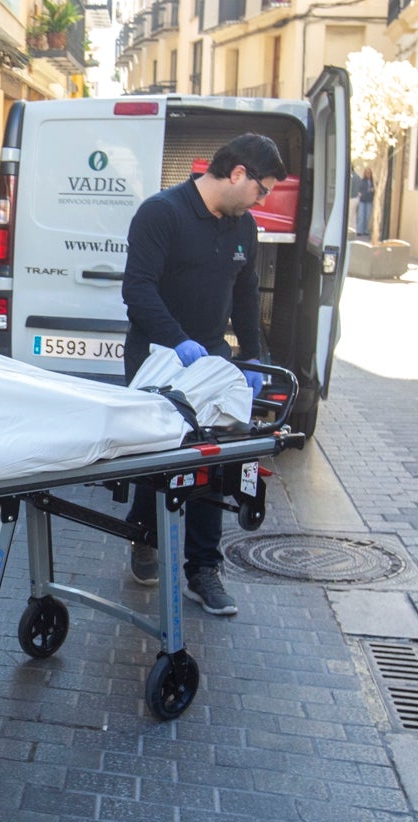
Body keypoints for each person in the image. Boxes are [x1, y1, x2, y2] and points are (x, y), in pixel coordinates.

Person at [120, 133, 285, 616]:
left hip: (212, 356)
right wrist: (176, 339)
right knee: (159, 455)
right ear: (238, 174)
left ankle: (202, 570)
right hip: (158, 352)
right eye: (262, 190)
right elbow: (138, 289)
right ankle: (144, 536)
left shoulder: (242, 227)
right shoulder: (162, 213)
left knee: (214, 460)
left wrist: (251, 359)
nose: (262, 200)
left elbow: (247, 295)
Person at [355, 167, 374, 237]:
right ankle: (360, 230)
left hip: (369, 200)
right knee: (361, 216)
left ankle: (366, 231)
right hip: (362, 200)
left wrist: (373, 190)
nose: (368, 174)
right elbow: (360, 190)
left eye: (369, 173)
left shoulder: (373, 182)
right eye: (367, 173)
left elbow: (374, 190)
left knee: (367, 216)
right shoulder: (362, 181)